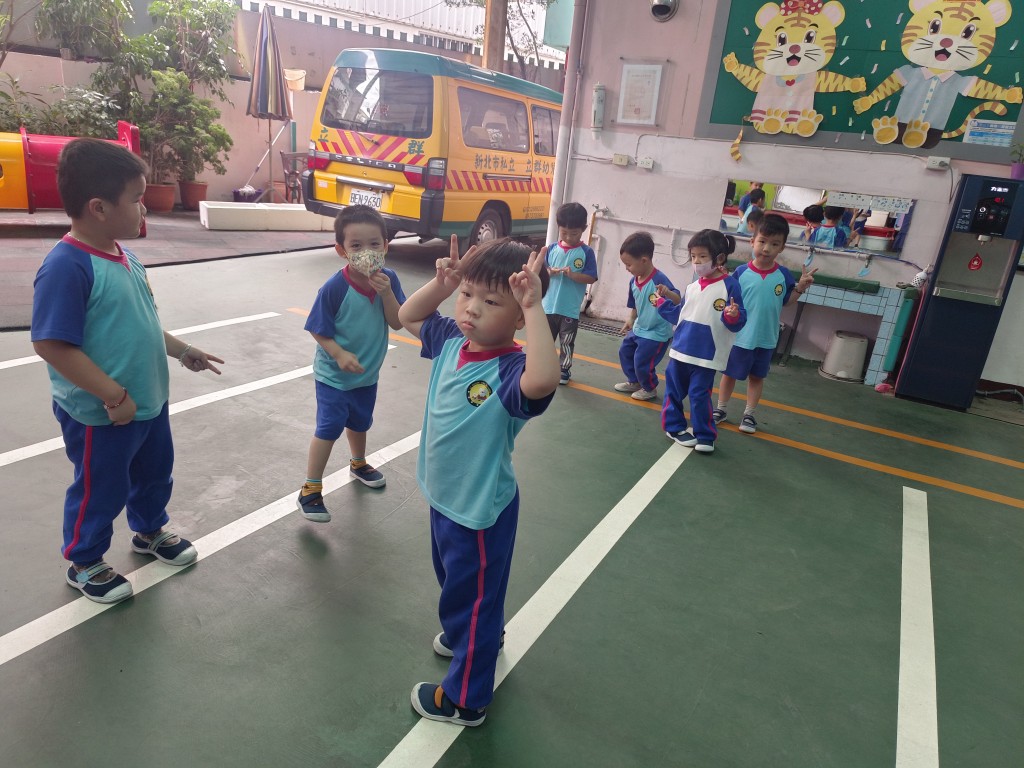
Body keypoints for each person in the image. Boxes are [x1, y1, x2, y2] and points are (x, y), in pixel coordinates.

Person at [31, 138, 224, 604]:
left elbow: (143, 323)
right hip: (104, 413)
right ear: (98, 207)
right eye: (137, 199)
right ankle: (85, 560)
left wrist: (181, 350)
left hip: (147, 399)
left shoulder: (123, 255)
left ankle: (149, 530)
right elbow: (52, 344)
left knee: (155, 472)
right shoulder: (66, 266)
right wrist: (112, 395)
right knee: (101, 486)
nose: (145, 209)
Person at [398, 236, 558, 727]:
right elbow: (407, 315)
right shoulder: (451, 341)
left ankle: (465, 699)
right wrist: (442, 284)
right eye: (468, 294)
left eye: (491, 302)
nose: (471, 308)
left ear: (517, 317)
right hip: (446, 497)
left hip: (479, 509)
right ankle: (473, 634)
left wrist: (534, 307)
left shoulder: (511, 370)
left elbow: (543, 381)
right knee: (460, 586)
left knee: (472, 599)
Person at [296, 205, 406, 523]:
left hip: (367, 375)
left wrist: (387, 294)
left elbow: (397, 321)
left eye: (374, 244)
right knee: (329, 427)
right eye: (356, 246)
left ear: (386, 246)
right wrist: (339, 354)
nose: (366, 252)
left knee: (360, 423)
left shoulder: (389, 279)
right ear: (341, 251)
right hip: (333, 375)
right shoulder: (335, 287)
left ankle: (358, 464)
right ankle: (310, 489)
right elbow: (317, 328)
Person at [714, 214, 816, 434]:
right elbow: (728, 300)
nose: (767, 248)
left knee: (757, 377)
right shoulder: (741, 273)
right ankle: (721, 409)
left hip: (766, 338)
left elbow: (787, 301)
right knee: (729, 374)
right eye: (762, 241)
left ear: (782, 247)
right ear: (752, 242)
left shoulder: (783, 275)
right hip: (740, 337)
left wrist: (800, 288)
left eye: (774, 244)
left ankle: (749, 414)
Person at [656, 230, 746, 453]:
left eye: (702, 256)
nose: (696, 261)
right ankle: (673, 427)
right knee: (673, 392)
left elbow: (737, 321)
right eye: (693, 256)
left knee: (699, 395)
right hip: (680, 351)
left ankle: (704, 434)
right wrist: (662, 305)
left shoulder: (730, 286)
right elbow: (681, 315)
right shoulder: (693, 287)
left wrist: (733, 315)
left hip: (707, 355)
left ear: (719, 258)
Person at [614, 231, 677, 401]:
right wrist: (631, 319)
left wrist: (668, 293)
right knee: (625, 351)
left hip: (656, 332)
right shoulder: (634, 281)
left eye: (628, 264)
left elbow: (678, 300)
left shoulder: (659, 279)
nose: (626, 268)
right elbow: (635, 303)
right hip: (639, 328)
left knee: (642, 360)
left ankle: (649, 388)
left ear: (644, 260)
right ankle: (635, 381)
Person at [542, 202, 598, 385]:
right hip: (548, 306)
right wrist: (548, 272)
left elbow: (591, 278)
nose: (568, 237)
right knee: (544, 340)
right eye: (564, 232)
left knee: (566, 341)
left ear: (584, 229)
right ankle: (542, 367)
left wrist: (573, 275)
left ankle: (564, 370)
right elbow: (541, 271)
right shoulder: (551, 249)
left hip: (569, 309)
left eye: (574, 233)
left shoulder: (586, 252)